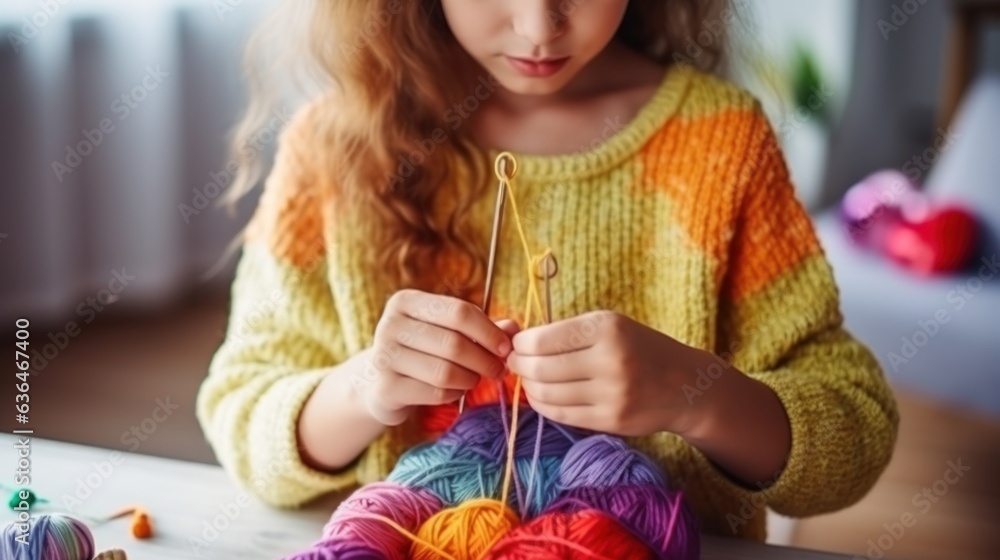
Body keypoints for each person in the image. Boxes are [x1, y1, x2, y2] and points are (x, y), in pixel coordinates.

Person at [196, 0, 899, 540]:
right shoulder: (335, 148)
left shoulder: (722, 143)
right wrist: (366, 386)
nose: (539, 27)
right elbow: (241, 413)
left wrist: (694, 392)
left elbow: (856, 432)